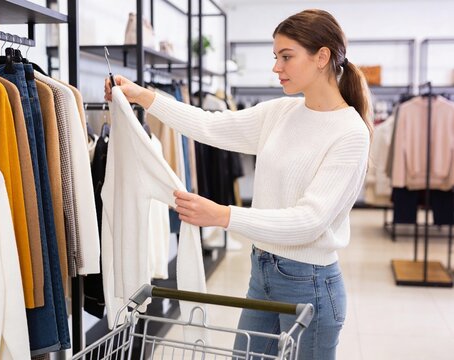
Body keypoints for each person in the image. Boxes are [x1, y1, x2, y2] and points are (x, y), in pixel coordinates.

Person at [105, 9, 372, 360]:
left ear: (322, 56)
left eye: (286, 57)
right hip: (262, 269)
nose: (277, 67)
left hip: (311, 284)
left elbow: (310, 220)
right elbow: (209, 125)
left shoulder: (350, 133)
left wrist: (224, 215)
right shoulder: (280, 113)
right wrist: (144, 96)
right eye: (276, 57)